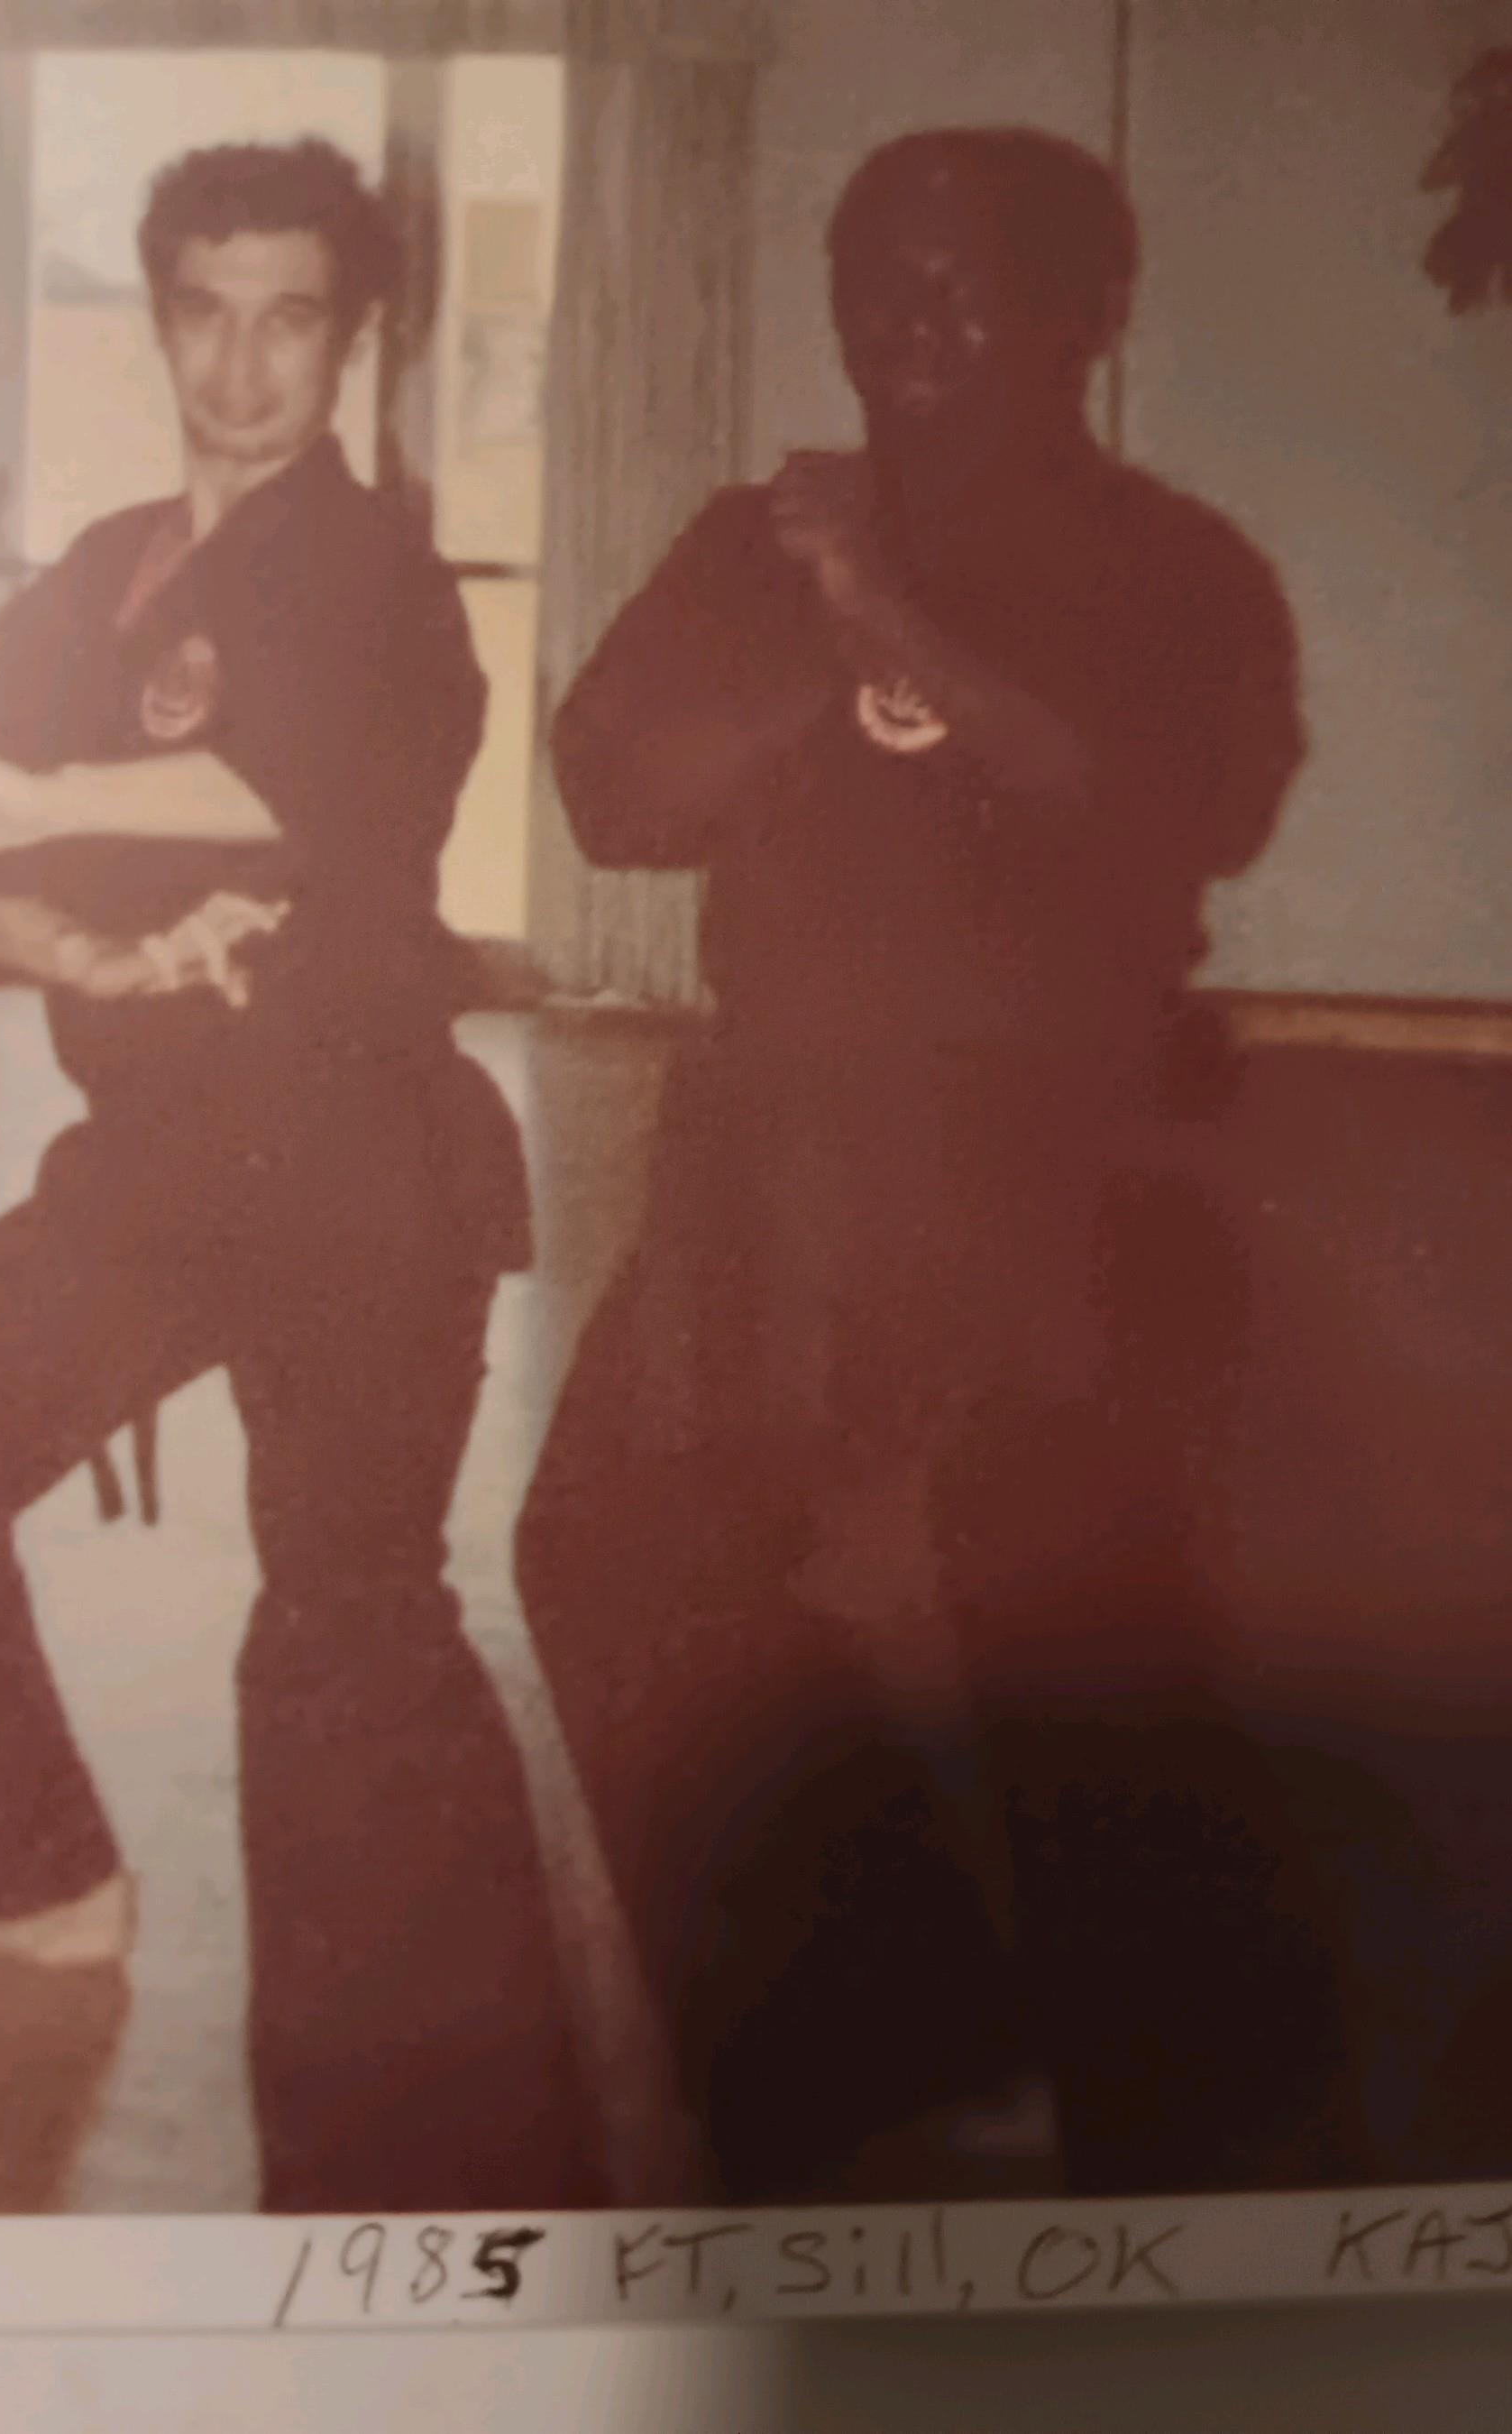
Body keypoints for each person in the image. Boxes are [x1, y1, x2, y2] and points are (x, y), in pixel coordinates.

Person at [518, 126, 1366, 2200]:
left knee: (1057, 1610)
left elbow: (1161, 812)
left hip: (1053, 1157)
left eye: (961, 280)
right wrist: (808, 629)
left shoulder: (1171, 565)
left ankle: (1192, 2132)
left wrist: (886, 613)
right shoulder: (757, 540)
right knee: (620, 1550)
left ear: (1085, 317)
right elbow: (617, 796)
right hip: (776, 1148)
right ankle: (888, 2014)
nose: (904, 320)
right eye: (870, 277)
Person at [0, 137, 597, 2213]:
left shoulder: (377, 573)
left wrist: (33, 792)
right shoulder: (103, 571)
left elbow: (295, 783)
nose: (242, 360)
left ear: (351, 336)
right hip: (165, 1153)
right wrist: (95, 942)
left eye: (288, 315)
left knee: (344, 1626)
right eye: (204, 309)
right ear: (159, 320)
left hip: (358, 1167)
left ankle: (437, 2175)